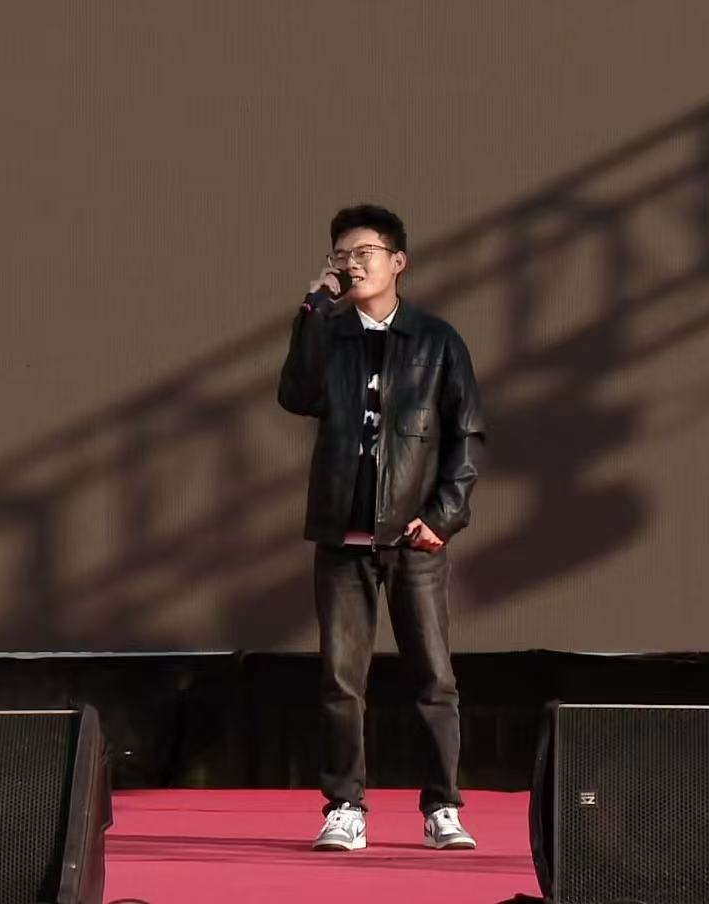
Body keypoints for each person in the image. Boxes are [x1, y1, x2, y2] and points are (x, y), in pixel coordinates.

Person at [277, 204, 485, 851]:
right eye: (342, 254)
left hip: (414, 540)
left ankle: (442, 807)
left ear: (398, 261)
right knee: (341, 682)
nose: (352, 264)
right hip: (342, 539)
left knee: (434, 680)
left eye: (364, 252)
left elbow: (465, 436)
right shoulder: (329, 333)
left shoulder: (437, 340)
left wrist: (444, 517)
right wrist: (313, 311)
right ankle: (345, 807)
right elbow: (296, 395)